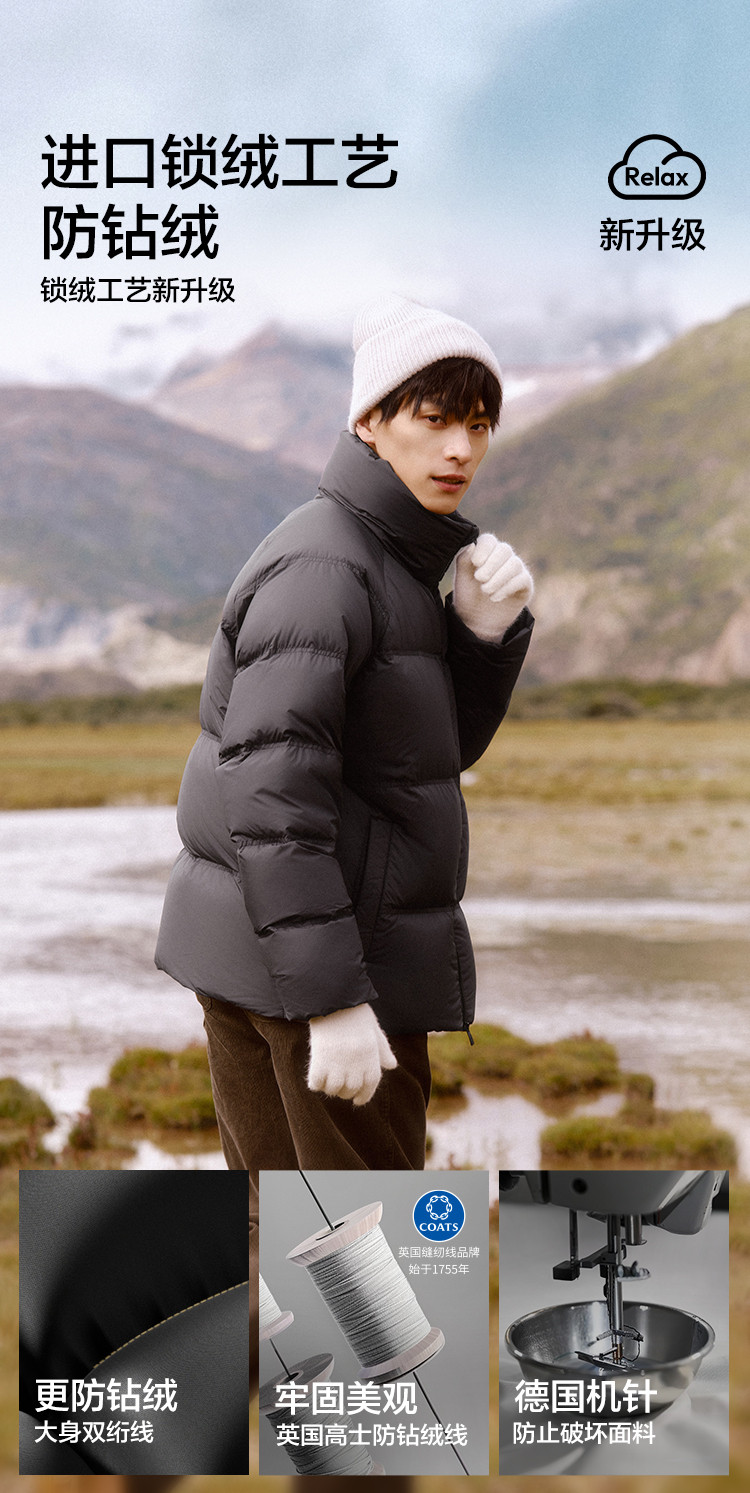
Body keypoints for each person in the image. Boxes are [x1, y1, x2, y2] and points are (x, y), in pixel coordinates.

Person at [156, 294, 534, 1186]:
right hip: (321, 976)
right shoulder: (329, 567)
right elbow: (271, 796)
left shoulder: (385, 560)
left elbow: (417, 763)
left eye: (479, 425)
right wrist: (331, 998)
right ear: (369, 421)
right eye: (434, 419)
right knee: (375, 1243)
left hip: (284, 962)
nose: (460, 448)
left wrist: (481, 637)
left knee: (290, 1241)